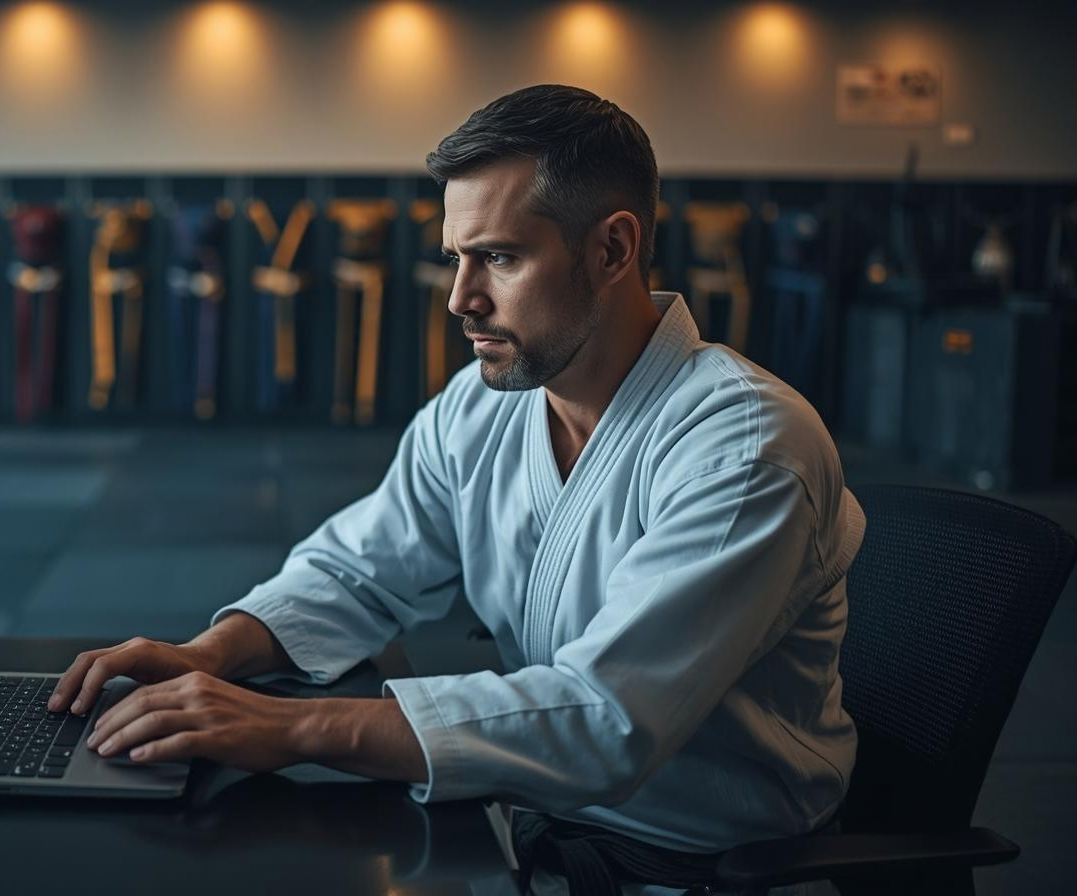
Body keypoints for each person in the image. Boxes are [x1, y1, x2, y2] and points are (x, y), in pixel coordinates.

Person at [48, 84, 864, 891]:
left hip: (707, 870)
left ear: (613, 250)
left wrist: (289, 725)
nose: (459, 300)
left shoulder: (744, 446)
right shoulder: (483, 407)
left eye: (499, 259)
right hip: (523, 823)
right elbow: (357, 568)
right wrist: (210, 657)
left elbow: (604, 720)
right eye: (456, 258)